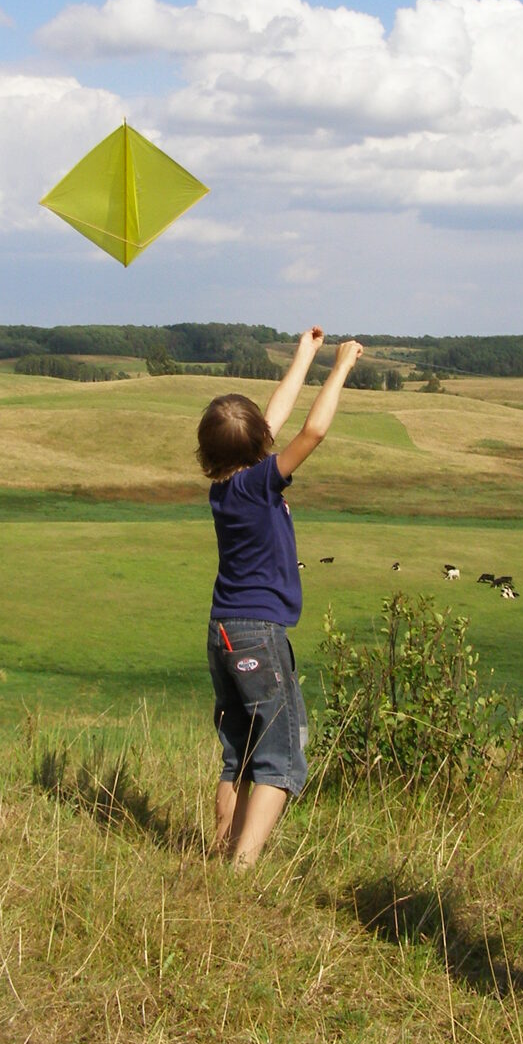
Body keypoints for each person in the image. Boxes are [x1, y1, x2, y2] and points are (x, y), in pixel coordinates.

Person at [197, 327, 364, 869]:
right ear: (259, 448)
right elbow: (312, 430)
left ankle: (221, 852)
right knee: (281, 758)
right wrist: (339, 367)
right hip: (258, 635)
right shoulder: (260, 484)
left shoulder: (224, 489)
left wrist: (304, 355)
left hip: (221, 631)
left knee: (238, 755)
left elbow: (272, 419)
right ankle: (242, 870)